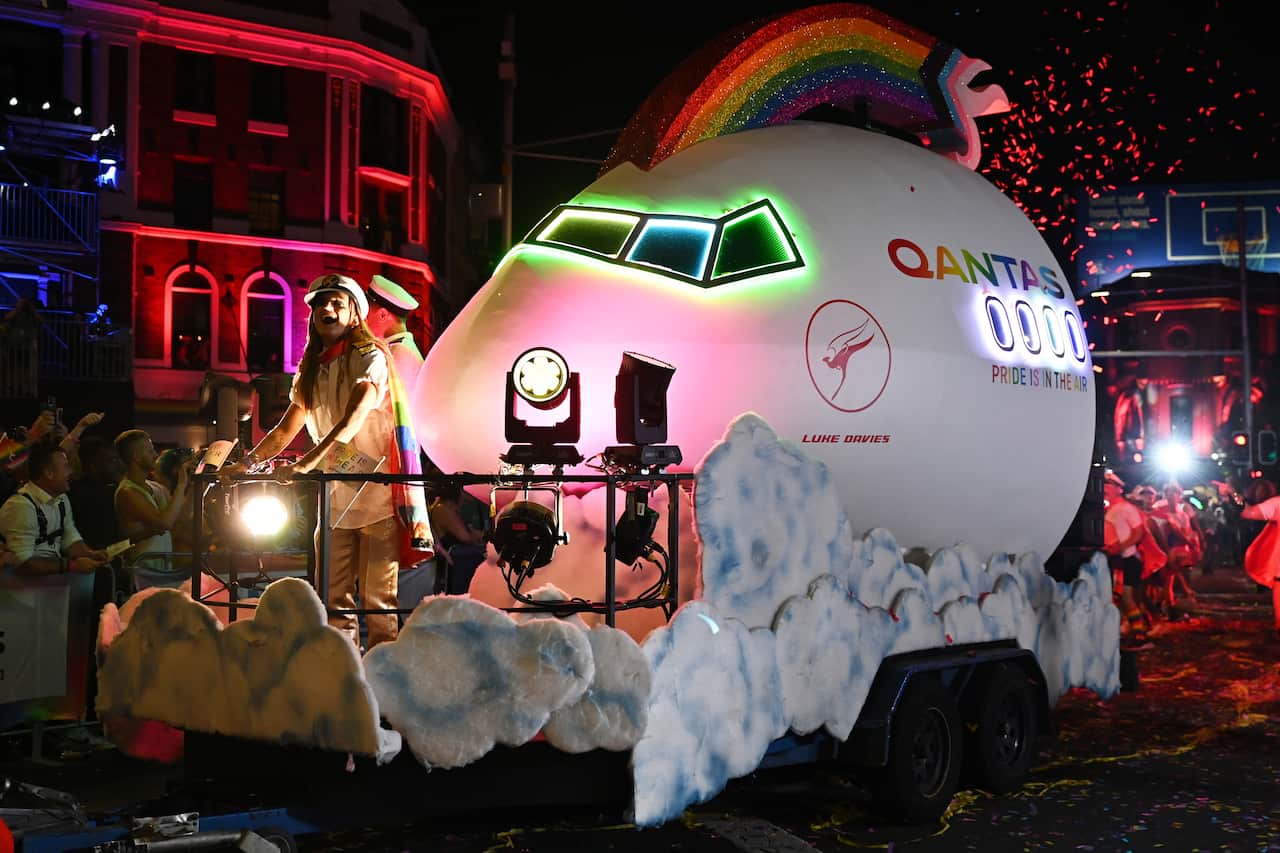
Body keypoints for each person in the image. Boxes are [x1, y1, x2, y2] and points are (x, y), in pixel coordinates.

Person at [221, 273, 431, 650]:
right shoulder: (311, 368)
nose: (326, 309)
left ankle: (382, 678)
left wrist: (307, 464)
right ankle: (341, 671)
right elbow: (286, 429)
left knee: (378, 604)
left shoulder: (371, 356)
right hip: (334, 501)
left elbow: (354, 417)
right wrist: (247, 464)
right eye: (320, 303)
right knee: (333, 602)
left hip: (377, 500)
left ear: (354, 314)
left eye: (337, 302)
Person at [0, 438, 108, 576]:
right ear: (49, 473)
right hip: (19, 587)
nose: (71, 471)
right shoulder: (21, 507)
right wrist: (72, 565)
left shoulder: (61, 498)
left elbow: (70, 537)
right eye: (66, 466)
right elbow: (23, 564)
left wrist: (90, 554)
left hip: (48, 582)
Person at [114, 430, 195, 589]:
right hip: (143, 574)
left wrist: (194, 486)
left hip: (162, 570)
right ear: (136, 456)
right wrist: (181, 484)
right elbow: (164, 523)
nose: (155, 455)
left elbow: (180, 519)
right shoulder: (127, 492)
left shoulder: (157, 488)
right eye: (150, 451)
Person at [1103, 470, 1153, 647]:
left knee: (1126, 597)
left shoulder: (1126, 508)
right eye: (1104, 484)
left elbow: (1138, 532)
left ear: (1119, 489)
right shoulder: (1109, 510)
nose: (1106, 488)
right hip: (1116, 560)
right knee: (1119, 598)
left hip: (1128, 560)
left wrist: (1120, 546)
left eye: (1110, 485)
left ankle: (1140, 633)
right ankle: (1128, 631)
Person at [364, 273, 424, 389]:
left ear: (382, 315)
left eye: (366, 312)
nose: (363, 318)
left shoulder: (400, 353)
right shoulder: (396, 348)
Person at [429, 483, 489, 595]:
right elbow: (465, 537)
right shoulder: (442, 509)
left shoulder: (446, 508)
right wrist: (482, 536)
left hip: (458, 561)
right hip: (456, 563)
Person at [1241, 480, 1280, 638]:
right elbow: (1248, 512)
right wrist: (1232, 495)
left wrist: (1232, 495)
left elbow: (1247, 512)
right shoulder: (1277, 504)